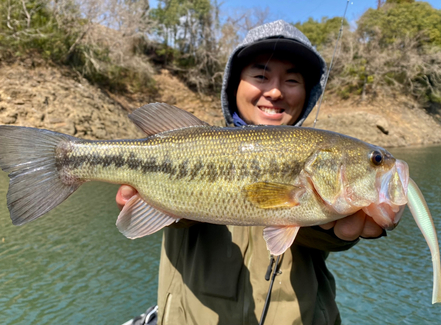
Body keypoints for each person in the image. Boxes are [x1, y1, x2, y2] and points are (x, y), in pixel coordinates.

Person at [117, 20, 385, 325]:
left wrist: (336, 223)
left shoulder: (321, 154)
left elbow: (330, 237)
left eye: (292, 80)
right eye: (261, 75)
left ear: (307, 94)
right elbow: (165, 220)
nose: (274, 91)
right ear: (234, 85)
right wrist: (174, 208)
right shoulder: (191, 141)